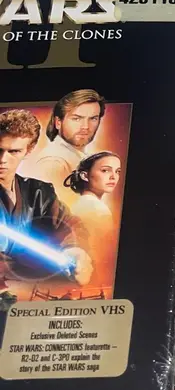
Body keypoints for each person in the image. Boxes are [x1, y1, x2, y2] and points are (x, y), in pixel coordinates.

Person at [0, 109, 91, 288]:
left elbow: (70, 224)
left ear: (28, 151)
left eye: (14, 151)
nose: (3, 159)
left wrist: (74, 250)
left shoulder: (38, 192)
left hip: (27, 287)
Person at [24, 89, 106, 206]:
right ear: (58, 122)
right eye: (76, 118)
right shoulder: (53, 161)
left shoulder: (80, 157)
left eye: (93, 118)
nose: (85, 126)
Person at [64, 151, 122, 287]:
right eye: (105, 170)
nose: (113, 177)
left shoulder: (80, 204)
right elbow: (103, 251)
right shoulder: (96, 208)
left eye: (117, 171)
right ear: (85, 175)